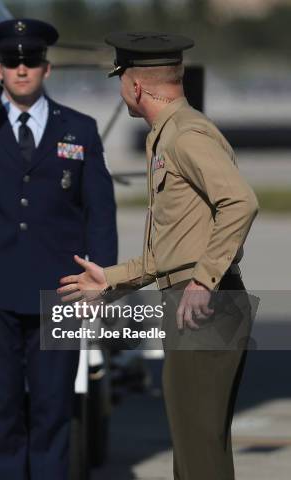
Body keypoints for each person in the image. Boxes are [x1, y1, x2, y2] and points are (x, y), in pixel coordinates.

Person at [59, 32, 259, 480]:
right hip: (197, 303)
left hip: (206, 304)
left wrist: (204, 281)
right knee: (196, 452)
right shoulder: (169, 134)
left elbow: (240, 203)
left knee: (199, 457)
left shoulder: (185, 136)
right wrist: (111, 280)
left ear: (134, 87)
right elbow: (171, 248)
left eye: (120, 79)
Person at [0, 19, 117, 480]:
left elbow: (100, 211)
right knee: (1, 413)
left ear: (46, 68)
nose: (20, 69)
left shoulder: (79, 129)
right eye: (10, 61)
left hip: (60, 292)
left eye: (30, 61)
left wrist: (103, 279)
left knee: (54, 412)